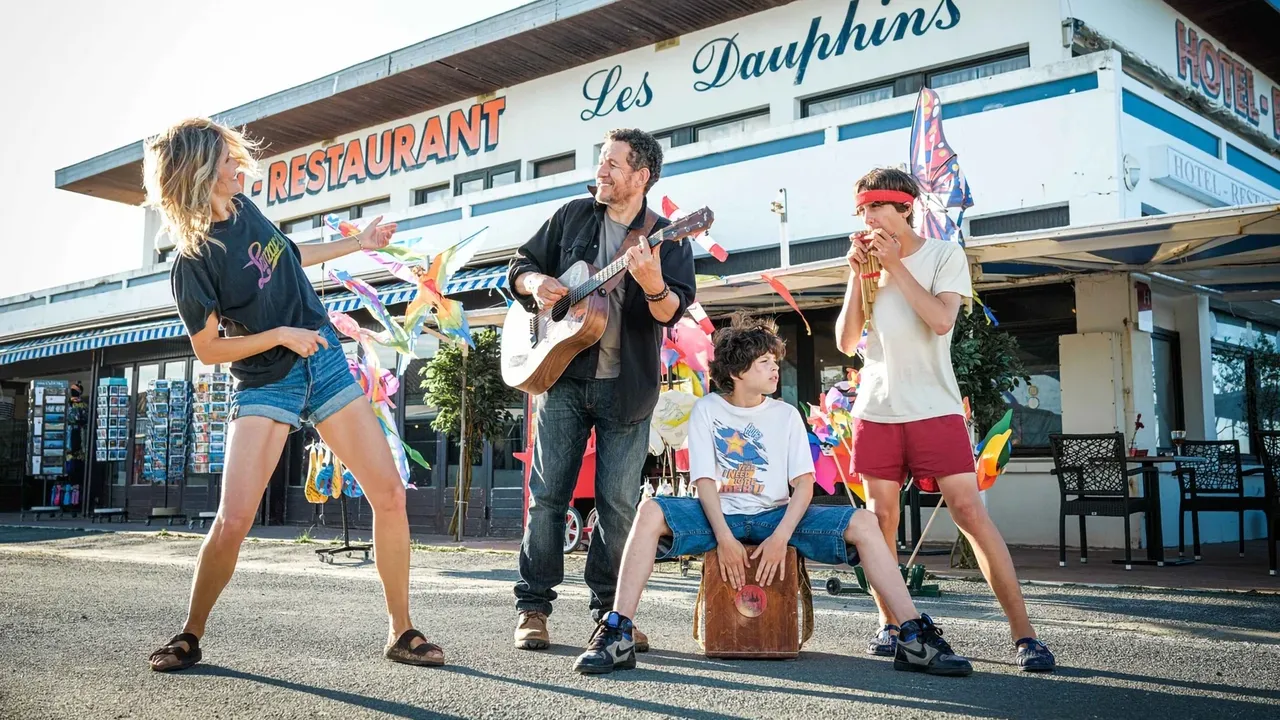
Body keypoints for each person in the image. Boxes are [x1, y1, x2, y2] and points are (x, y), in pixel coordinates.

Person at [143, 118, 443, 671]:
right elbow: (208, 349)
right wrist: (281, 334)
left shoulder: (246, 210)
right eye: (227, 159)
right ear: (201, 172)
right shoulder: (192, 261)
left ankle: (402, 631)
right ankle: (190, 632)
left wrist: (359, 243)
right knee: (234, 520)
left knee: (389, 494)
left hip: (322, 360)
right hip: (266, 380)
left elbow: (288, 255)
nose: (239, 165)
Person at [573, 316, 973, 677]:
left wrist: (781, 537)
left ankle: (911, 634)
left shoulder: (785, 414)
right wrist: (725, 538)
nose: (775, 368)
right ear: (737, 371)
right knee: (649, 511)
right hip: (718, 518)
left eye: (774, 361)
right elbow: (705, 482)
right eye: (764, 362)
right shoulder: (708, 409)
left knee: (866, 522)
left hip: (778, 518)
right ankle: (617, 631)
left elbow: (804, 485)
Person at [835, 167, 1055, 672]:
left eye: (876, 207)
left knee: (970, 513)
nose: (868, 219)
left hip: (935, 406)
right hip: (876, 410)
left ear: (905, 207)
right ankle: (893, 625)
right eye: (862, 210)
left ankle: (1025, 635)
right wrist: (856, 275)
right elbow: (847, 342)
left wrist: (896, 266)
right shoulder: (867, 263)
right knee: (881, 522)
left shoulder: (943, 254)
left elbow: (940, 320)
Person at [506, 128, 696, 652]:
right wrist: (535, 285)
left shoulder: (670, 236)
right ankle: (533, 608)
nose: (601, 171)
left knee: (617, 506)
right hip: (562, 379)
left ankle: (613, 616)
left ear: (642, 176)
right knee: (548, 498)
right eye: (601, 161)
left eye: (612, 164)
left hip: (627, 388)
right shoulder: (573, 215)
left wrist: (653, 284)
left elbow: (672, 311)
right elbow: (520, 265)